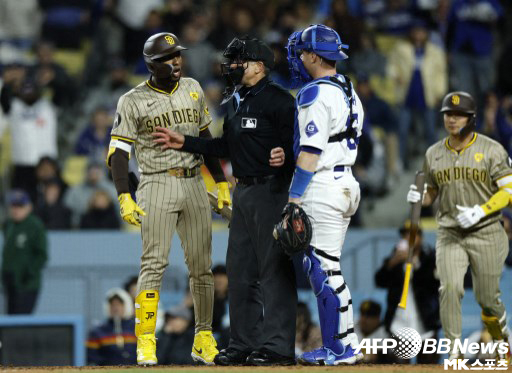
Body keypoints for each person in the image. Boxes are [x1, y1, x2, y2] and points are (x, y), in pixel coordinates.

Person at [152, 36, 297, 366]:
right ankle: (244, 343)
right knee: (240, 272)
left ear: (259, 67)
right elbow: (225, 147)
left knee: (274, 271)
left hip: (272, 191)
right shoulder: (236, 100)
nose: (230, 65)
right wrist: (184, 142)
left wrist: (285, 156)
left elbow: (301, 148)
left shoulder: (280, 101)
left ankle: (278, 347)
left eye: (238, 60)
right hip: (242, 192)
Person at [106, 32, 231, 366]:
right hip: (156, 183)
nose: (176, 61)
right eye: (168, 57)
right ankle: (145, 340)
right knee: (153, 265)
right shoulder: (132, 100)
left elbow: (205, 138)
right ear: (151, 63)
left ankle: (203, 336)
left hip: (193, 183)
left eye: (177, 55)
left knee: (202, 268)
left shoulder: (192, 87)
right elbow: (118, 152)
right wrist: (124, 194)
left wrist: (219, 182)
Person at [407, 91, 512, 363]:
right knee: (449, 288)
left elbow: (509, 190)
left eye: (458, 115)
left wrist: (482, 210)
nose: (452, 120)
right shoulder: (434, 153)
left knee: (488, 300)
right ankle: (454, 352)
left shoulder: (492, 149)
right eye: (448, 115)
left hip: (487, 231)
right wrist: (421, 196)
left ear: (471, 118)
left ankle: (502, 344)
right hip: (450, 232)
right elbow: (430, 191)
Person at [285, 24, 364, 365]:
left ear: (314, 55)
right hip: (346, 182)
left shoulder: (314, 92)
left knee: (321, 269)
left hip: (324, 186)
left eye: (302, 52)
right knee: (331, 267)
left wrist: (293, 198)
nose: (299, 57)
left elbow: (311, 152)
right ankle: (346, 344)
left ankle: (337, 348)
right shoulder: (348, 87)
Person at [375, 221, 440, 364]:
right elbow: (379, 281)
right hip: (399, 322)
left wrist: (415, 263)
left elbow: (434, 282)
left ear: (421, 237)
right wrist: (392, 262)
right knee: (398, 364)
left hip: (425, 322)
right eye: (405, 235)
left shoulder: (430, 258)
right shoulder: (395, 258)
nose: (409, 239)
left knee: (428, 364)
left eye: (413, 235)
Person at [1, 190, 48, 314]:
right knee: (10, 318)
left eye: (20, 206)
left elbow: (42, 255)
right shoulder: (9, 225)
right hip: (11, 283)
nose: (16, 210)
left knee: (21, 319)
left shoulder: (35, 225)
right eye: (14, 206)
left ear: (29, 207)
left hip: (27, 284)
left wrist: (28, 272)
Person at [86, 288, 137, 366]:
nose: (116, 308)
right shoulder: (97, 332)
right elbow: (92, 359)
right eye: (112, 305)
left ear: (127, 306)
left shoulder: (137, 329)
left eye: (120, 304)